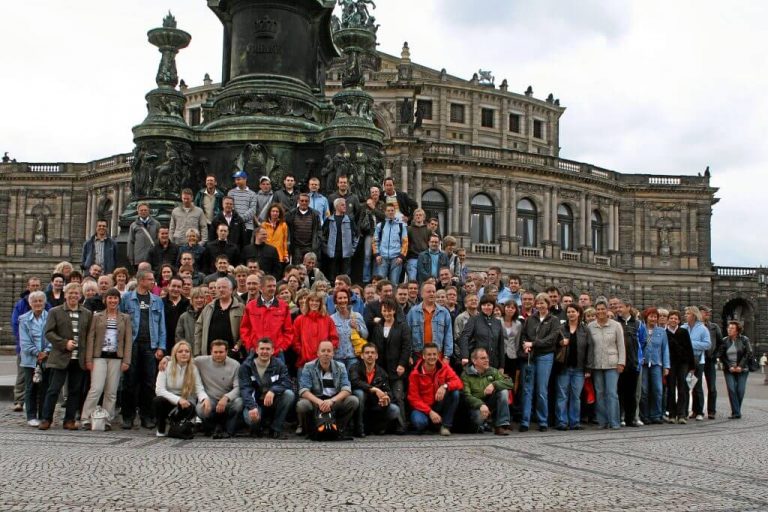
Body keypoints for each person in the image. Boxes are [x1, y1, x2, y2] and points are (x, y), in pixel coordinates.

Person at [39, 283, 93, 430]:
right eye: (70, 293)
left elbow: (89, 336)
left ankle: (69, 420)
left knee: (75, 391)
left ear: (80, 296)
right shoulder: (55, 312)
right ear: (65, 294)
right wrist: (64, 343)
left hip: (78, 359)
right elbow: (49, 333)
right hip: (60, 357)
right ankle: (46, 418)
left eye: (76, 293)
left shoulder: (87, 313)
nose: (73, 296)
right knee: (54, 389)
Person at [120, 269, 167, 430]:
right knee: (129, 382)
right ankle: (128, 416)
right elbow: (121, 322)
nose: (153, 282)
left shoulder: (156, 301)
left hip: (150, 345)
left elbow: (162, 325)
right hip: (131, 345)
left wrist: (161, 346)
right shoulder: (126, 298)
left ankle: (147, 416)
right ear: (141, 280)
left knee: (149, 383)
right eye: (150, 279)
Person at [81, 288, 132, 430]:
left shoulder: (125, 318)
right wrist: (89, 359)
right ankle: (86, 417)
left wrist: (126, 360)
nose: (113, 301)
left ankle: (107, 418)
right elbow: (91, 338)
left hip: (116, 357)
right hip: (99, 356)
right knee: (96, 388)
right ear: (105, 300)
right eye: (110, 298)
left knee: (111, 391)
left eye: (115, 298)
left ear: (119, 301)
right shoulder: (97, 316)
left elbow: (128, 340)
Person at [296, 340, 359, 436]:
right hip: (316, 401)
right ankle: (310, 429)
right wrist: (319, 402)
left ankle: (338, 428)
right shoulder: (308, 366)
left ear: (333, 353)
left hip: (334, 401)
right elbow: (303, 390)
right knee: (302, 404)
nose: (326, 353)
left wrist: (331, 401)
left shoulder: (340, 367)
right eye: (323, 351)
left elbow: (346, 389)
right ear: (318, 353)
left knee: (353, 400)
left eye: (329, 351)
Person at [518, 293, 561, 432]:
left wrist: (534, 343)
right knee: (527, 389)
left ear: (548, 304)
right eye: (538, 303)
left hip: (545, 356)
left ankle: (543, 421)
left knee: (542, 390)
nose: (540, 306)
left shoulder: (553, 320)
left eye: (543, 303)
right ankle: (525, 421)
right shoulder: (530, 319)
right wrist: (526, 344)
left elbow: (552, 339)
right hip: (530, 356)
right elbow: (524, 334)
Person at [240, 337, 295, 438]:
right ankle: (257, 427)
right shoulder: (246, 366)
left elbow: (287, 382)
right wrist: (252, 407)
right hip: (255, 402)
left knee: (289, 394)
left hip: (273, 401)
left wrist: (273, 391)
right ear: (256, 350)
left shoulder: (279, 364)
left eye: (267, 349)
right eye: (262, 349)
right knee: (251, 419)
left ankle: (276, 428)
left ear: (273, 351)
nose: (264, 351)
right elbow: (245, 389)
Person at [153, 341, 207, 437]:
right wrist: (178, 400)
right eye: (180, 351)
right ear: (175, 354)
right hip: (170, 401)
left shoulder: (193, 368)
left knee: (189, 408)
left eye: (187, 351)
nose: (184, 353)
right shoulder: (166, 366)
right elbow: (159, 390)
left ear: (190, 354)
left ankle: (177, 426)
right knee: (158, 400)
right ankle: (161, 428)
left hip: (187, 403)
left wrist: (204, 399)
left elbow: (199, 389)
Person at [408, 343, 462, 436]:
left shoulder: (444, 367)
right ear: (423, 356)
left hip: (438, 404)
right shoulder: (415, 374)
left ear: (438, 355)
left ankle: (445, 426)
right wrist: (430, 412)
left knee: (455, 393)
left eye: (434, 354)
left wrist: (445, 386)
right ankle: (432, 425)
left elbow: (459, 383)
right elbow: (413, 399)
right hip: (422, 408)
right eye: (429, 354)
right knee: (419, 423)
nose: (432, 357)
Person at [586, 299, 625, 430]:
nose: (600, 311)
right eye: (598, 309)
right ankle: (602, 421)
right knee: (599, 393)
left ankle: (614, 422)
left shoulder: (616, 325)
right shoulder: (590, 326)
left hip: (612, 364)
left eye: (603, 309)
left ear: (607, 310)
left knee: (612, 393)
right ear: (595, 311)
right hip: (597, 365)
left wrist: (621, 362)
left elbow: (621, 345)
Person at [349, 343, 403, 436]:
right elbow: (355, 382)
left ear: (376, 356)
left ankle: (379, 428)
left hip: (375, 406)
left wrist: (386, 398)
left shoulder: (382, 372)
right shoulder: (355, 367)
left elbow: (388, 391)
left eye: (372, 353)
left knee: (395, 409)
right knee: (359, 393)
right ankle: (359, 428)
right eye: (367, 353)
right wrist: (374, 389)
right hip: (361, 406)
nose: (370, 355)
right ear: (362, 355)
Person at [194, 340, 242, 438]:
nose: (218, 355)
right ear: (211, 352)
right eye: (215, 352)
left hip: (227, 400)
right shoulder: (200, 361)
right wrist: (166, 358)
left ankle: (229, 430)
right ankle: (212, 428)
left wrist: (226, 397)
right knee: (200, 409)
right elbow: (182, 358)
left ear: (226, 352)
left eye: (221, 352)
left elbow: (238, 388)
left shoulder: (235, 365)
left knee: (239, 403)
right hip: (210, 399)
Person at [461, 347, 514, 435]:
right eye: (483, 358)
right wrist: (480, 405)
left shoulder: (493, 371)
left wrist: (494, 384)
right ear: (474, 361)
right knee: (477, 420)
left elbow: (509, 383)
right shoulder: (466, 374)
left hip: (490, 404)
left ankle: (501, 425)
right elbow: (466, 396)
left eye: (487, 358)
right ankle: (483, 424)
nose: (487, 360)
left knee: (503, 391)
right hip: (475, 407)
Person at [11, 277, 46, 412]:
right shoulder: (20, 304)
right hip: (24, 347)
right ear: (28, 287)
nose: (35, 287)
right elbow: (15, 324)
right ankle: (19, 400)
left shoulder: (45, 304)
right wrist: (25, 343)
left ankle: (37, 402)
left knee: (40, 377)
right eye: (33, 285)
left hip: (42, 349)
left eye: (37, 285)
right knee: (22, 376)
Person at [554, 304, 590, 431]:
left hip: (579, 368)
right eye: (568, 312)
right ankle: (562, 422)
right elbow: (554, 346)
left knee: (576, 396)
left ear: (579, 313)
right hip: (563, 367)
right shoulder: (561, 328)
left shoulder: (585, 330)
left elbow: (589, 349)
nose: (571, 314)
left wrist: (588, 368)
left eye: (573, 311)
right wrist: (560, 343)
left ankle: (575, 421)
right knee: (562, 395)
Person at [18, 291, 50, 426]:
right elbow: (24, 341)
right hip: (30, 359)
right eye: (35, 301)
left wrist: (46, 351)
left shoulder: (50, 317)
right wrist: (37, 353)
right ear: (30, 303)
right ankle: (31, 416)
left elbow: (52, 336)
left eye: (40, 301)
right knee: (30, 387)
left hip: (46, 357)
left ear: (44, 303)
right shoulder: (23, 319)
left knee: (44, 387)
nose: (37, 303)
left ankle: (43, 415)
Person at [240, 275, 294, 356]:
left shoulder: (283, 306)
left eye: (274, 286)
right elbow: (244, 328)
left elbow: (288, 330)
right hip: (255, 351)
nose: (272, 288)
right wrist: (249, 345)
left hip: (276, 352)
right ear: (261, 288)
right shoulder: (250, 306)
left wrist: (282, 347)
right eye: (269, 286)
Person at [195, 277, 244, 358]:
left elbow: (245, 329)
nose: (221, 290)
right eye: (218, 288)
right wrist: (197, 352)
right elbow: (198, 330)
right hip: (209, 355)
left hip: (232, 355)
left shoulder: (240, 307)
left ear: (231, 290)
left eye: (224, 287)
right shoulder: (208, 307)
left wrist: (238, 346)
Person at [293, 291, 339, 376]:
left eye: (317, 301)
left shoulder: (327, 320)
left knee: (323, 389)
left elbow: (334, 338)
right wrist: (302, 352)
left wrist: (327, 352)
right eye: (312, 300)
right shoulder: (299, 320)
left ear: (321, 303)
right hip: (304, 362)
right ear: (308, 302)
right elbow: (295, 340)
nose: (314, 303)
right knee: (304, 388)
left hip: (324, 363)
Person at [407, 282, 454, 363]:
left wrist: (447, 356)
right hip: (418, 356)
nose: (432, 294)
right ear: (421, 294)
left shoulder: (444, 312)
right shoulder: (413, 312)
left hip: (437, 356)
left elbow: (448, 335)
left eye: (433, 291)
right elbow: (407, 335)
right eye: (429, 292)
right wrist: (409, 355)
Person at [639, 308, 670, 425]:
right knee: (644, 390)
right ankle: (644, 415)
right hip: (644, 364)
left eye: (655, 317)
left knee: (658, 390)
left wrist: (666, 366)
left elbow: (665, 349)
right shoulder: (641, 329)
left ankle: (656, 415)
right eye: (651, 316)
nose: (653, 319)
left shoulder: (661, 331)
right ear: (646, 317)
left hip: (657, 364)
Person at [458, 295, 505, 370]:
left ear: (493, 306)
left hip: (493, 363)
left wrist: (502, 366)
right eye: (484, 305)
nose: (486, 307)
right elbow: (464, 337)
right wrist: (465, 356)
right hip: (477, 363)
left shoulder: (497, 322)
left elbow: (501, 345)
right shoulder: (473, 320)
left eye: (489, 305)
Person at [665, 310, 696, 424]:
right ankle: (672, 414)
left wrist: (692, 366)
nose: (673, 320)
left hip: (683, 363)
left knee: (683, 388)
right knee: (671, 389)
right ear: (668, 320)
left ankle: (682, 414)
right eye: (671, 318)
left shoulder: (683, 332)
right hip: (670, 363)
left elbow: (689, 349)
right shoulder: (665, 333)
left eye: (675, 318)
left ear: (679, 320)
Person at [682, 306, 711, 421]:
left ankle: (699, 411)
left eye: (688, 314)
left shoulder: (703, 329)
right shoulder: (683, 328)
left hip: (698, 361)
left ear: (693, 315)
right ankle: (685, 411)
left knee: (697, 387)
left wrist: (690, 343)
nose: (685, 315)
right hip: (685, 361)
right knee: (684, 386)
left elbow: (707, 344)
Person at [718, 321, 753, 419]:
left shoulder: (744, 339)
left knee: (740, 390)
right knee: (732, 389)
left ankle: (736, 410)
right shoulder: (725, 340)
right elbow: (722, 355)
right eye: (728, 328)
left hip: (742, 369)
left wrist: (740, 366)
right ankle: (736, 413)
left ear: (737, 331)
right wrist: (729, 366)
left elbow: (748, 353)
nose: (729, 330)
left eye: (732, 328)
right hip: (729, 369)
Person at [322, 197, 359, 282]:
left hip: (346, 252)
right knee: (332, 274)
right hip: (332, 252)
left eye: (345, 205)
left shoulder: (349, 220)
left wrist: (352, 249)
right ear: (336, 206)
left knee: (345, 275)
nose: (345, 206)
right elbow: (322, 235)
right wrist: (326, 249)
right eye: (342, 205)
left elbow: (356, 235)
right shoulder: (329, 220)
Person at [331, 288, 368, 370]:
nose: (343, 300)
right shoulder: (331, 319)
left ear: (348, 299)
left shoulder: (357, 316)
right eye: (340, 298)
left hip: (353, 357)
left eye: (345, 297)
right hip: (337, 357)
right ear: (336, 300)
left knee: (353, 381)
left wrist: (357, 328)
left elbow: (365, 335)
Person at [373, 203, 408, 285]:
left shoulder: (401, 226)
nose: (390, 212)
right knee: (380, 283)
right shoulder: (380, 225)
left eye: (392, 210)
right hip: (382, 257)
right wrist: (377, 254)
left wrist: (401, 256)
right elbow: (375, 241)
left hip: (396, 258)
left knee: (394, 283)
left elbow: (405, 242)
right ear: (385, 212)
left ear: (395, 211)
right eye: (388, 210)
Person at [699, 306, 723, 420]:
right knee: (696, 386)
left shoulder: (714, 327)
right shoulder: (694, 327)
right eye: (705, 312)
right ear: (699, 313)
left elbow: (721, 344)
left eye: (709, 312)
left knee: (712, 387)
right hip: (697, 360)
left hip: (709, 359)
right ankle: (697, 410)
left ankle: (711, 411)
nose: (708, 313)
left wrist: (716, 355)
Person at [286, 193, 322, 265]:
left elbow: (319, 231)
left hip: (310, 247)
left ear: (309, 202)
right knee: (297, 268)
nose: (304, 203)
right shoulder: (291, 214)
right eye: (302, 201)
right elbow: (288, 230)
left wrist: (316, 244)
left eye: (306, 201)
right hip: (296, 247)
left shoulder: (315, 214)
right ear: (298, 201)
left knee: (310, 267)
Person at [127, 202, 160, 269]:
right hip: (139, 258)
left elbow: (159, 240)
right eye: (141, 210)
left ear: (149, 211)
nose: (143, 212)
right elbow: (131, 242)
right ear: (138, 212)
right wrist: (131, 259)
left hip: (152, 258)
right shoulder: (133, 225)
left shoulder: (156, 224)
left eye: (145, 210)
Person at [162, 276, 189, 354]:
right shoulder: (160, 303)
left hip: (183, 344)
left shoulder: (188, 304)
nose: (176, 289)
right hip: (165, 344)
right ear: (168, 286)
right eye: (173, 286)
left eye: (179, 287)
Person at [262, 203, 290, 269]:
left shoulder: (283, 225)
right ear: (269, 212)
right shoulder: (264, 225)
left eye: (277, 211)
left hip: (279, 256)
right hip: (266, 255)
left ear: (279, 213)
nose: (275, 213)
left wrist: (285, 255)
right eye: (273, 211)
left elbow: (284, 242)